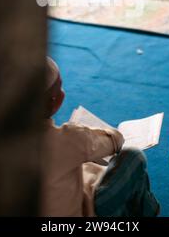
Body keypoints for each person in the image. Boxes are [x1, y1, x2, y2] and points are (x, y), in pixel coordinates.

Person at [41, 57, 160, 217]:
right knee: (133, 157)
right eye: (60, 88)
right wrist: (81, 132)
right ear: (55, 101)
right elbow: (115, 140)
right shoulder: (68, 139)